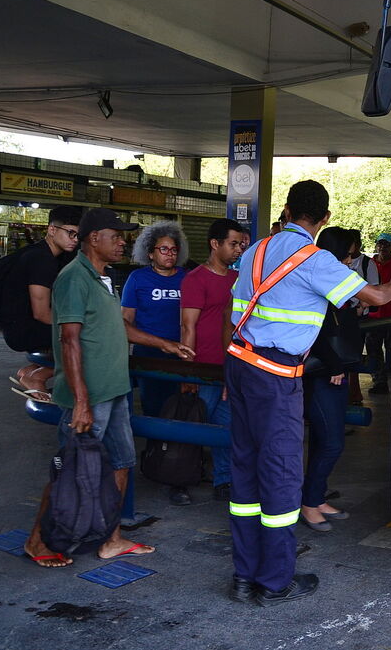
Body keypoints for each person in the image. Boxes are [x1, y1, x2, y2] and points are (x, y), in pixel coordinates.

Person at [224, 179, 391, 605]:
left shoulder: (255, 251)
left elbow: (235, 310)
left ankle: (244, 575)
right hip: (275, 375)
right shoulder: (315, 260)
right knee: (281, 474)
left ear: (287, 210)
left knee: (246, 469)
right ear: (325, 218)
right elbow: (377, 296)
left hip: (239, 365)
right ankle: (275, 582)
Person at [24, 208, 194, 568]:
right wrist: (81, 401)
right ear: (93, 238)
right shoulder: (74, 279)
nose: (122, 243)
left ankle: (111, 539)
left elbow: (117, 327)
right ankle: (37, 541)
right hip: (90, 393)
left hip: (115, 389)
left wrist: (164, 344)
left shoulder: (104, 277)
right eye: (115, 236)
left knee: (121, 462)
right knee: (70, 467)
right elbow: (69, 340)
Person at [179, 218, 245, 505]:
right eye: (233, 244)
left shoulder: (237, 279)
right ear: (215, 244)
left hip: (229, 369)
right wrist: (188, 372)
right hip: (202, 369)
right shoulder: (195, 279)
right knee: (193, 425)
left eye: (241, 244)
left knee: (226, 427)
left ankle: (223, 480)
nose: (239, 250)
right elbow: (187, 327)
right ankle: (178, 479)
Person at [299, 227, 362, 532]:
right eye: (348, 254)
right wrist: (336, 365)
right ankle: (309, 503)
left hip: (336, 372)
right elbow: (316, 332)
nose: (351, 260)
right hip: (323, 375)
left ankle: (316, 496)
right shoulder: (317, 281)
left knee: (323, 440)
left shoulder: (338, 280)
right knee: (332, 443)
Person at [4, 205, 84, 400]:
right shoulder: (42, 260)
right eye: (70, 233)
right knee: (91, 340)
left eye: (78, 235)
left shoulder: (45, 254)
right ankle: (37, 377)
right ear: (52, 230)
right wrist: (76, 326)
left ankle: (30, 370)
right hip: (23, 331)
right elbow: (41, 313)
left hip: (19, 325)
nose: (75, 240)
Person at [121, 221, 189, 417]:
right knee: (153, 407)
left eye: (174, 249)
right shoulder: (137, 278)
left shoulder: (188, 278)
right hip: (148, 354)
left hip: (181, 353)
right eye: (163, 249)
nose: (170, 254)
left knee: (180, 408)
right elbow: (125, 321)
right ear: (150, 253)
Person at [345, 229, 378, 405]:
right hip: (341, 314)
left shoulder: (367, 263)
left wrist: (361, 306)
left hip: (358, 316)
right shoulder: (338, 261)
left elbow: (374, 289)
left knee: (353, 355)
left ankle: (353, 394)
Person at [365, 233, 391, 394]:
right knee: (373, 350)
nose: (382, 247)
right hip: (374, 316)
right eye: (380, 243)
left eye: (386, 244)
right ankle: (379, 382)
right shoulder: (370, 263)